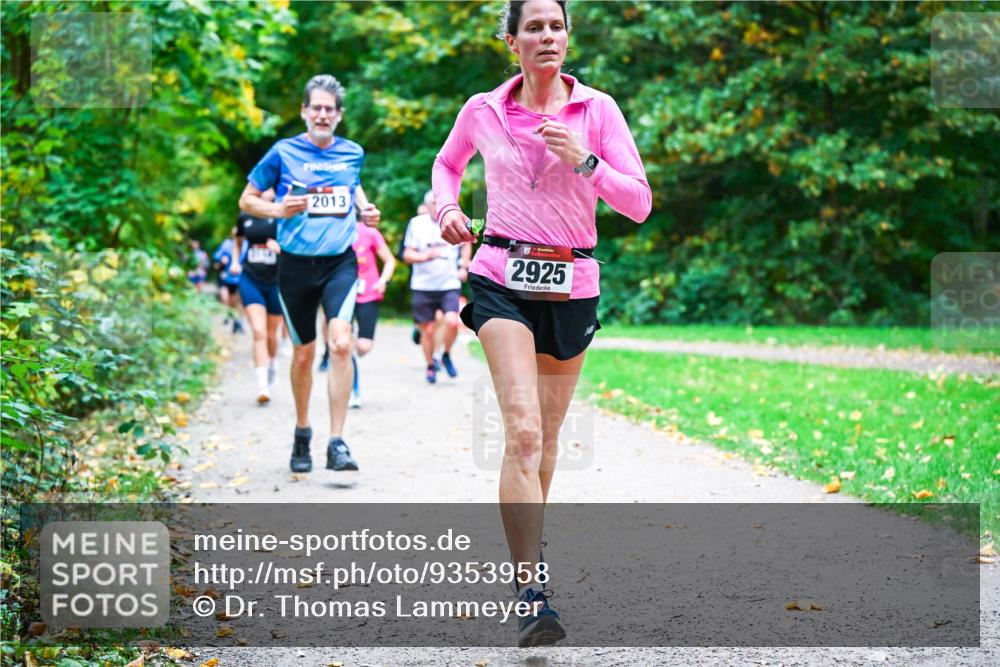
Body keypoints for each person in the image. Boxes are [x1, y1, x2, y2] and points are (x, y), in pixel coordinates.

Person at [432, 0, 651, 647]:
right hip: (500, 275)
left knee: (547, 440)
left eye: (556, 26)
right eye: (533, 27)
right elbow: (447, 165)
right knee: (524, 433)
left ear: (567, 36)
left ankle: (529, 549)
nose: (547, 36)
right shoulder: (484, 110)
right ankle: (531, 589)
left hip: (572, 282)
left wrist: (586, 160)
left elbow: (639, 203)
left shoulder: (598, 111)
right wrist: (447, 208)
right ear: (512, 41)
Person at [238, 74, 381, 474]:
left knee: (341, 344)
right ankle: (303, 432)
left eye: (329, 109)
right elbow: (246, 200)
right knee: (303, 355)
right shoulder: (283, 152)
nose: (322, 114)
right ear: (304, 111)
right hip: (295, 266)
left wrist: (366, 211)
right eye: (315, 107)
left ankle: (337, 441)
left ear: (339, 115)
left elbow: (353, 189)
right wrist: (277, 210)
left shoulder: (352, 152)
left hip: (339, 263)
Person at [318, 222, 396, 407]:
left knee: (363, 346)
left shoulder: (370, 233)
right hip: (342, 292)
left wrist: (383, 280)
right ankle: (353, 389)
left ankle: (344, 349)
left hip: (368, 292)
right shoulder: (331, 231)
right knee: (344, 341)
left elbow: (389, 260)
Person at [403, 191, 471, 384]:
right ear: (427, 206)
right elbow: (407, 255)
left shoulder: (453, 220)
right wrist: (426, 256)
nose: (437, 206)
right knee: (428, 330)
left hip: (448, 283)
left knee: (452, 321)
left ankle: (446, 354)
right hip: (423, 285)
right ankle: (430, 365)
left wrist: (463, 265)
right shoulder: (417, 224)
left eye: (440, 202)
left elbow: (466, 243)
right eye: (433, 203)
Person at [231, 192, 282, 405]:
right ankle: (262, 385)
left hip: (277, 282)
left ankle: (272, 364)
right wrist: (235, 261)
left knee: (271, 335)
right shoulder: (245, 215)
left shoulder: (283, 214)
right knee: (259, 332)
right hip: (251, 278)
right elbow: (237, 240)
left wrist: (280, 249)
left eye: (268, 187)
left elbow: (297, 247)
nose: (263, 191)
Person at [213, 229, 245, 334]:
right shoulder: (226, 244)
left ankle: (238, 322)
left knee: (238, 301)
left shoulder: (246, 245)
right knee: (226, 298)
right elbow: (217, 255)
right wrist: (221, 258)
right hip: (226, 277)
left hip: (239, 278)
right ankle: (227, 314)